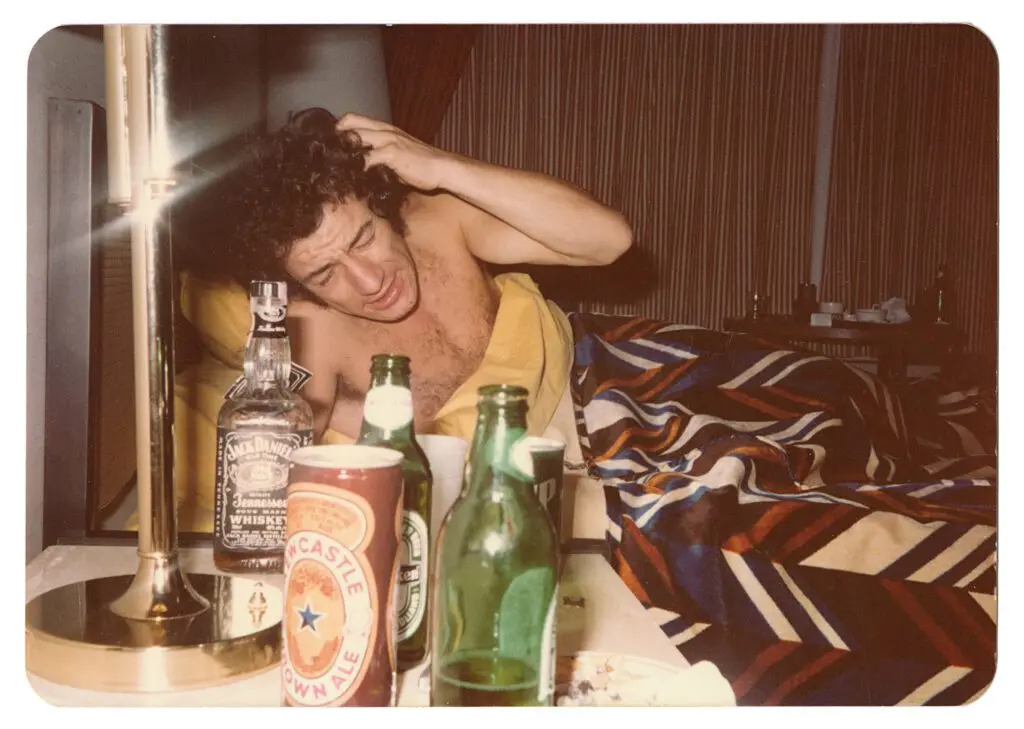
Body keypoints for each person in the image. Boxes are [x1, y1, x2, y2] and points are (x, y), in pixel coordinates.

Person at [207, 106, 633, 442]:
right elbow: (281, 458)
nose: (371, 282)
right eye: (324, 275)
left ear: (383, 205)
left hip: (585, 400)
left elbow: (609, 240)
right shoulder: (310, 328)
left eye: (364, 238)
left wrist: (443, 166)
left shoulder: (439, 220)